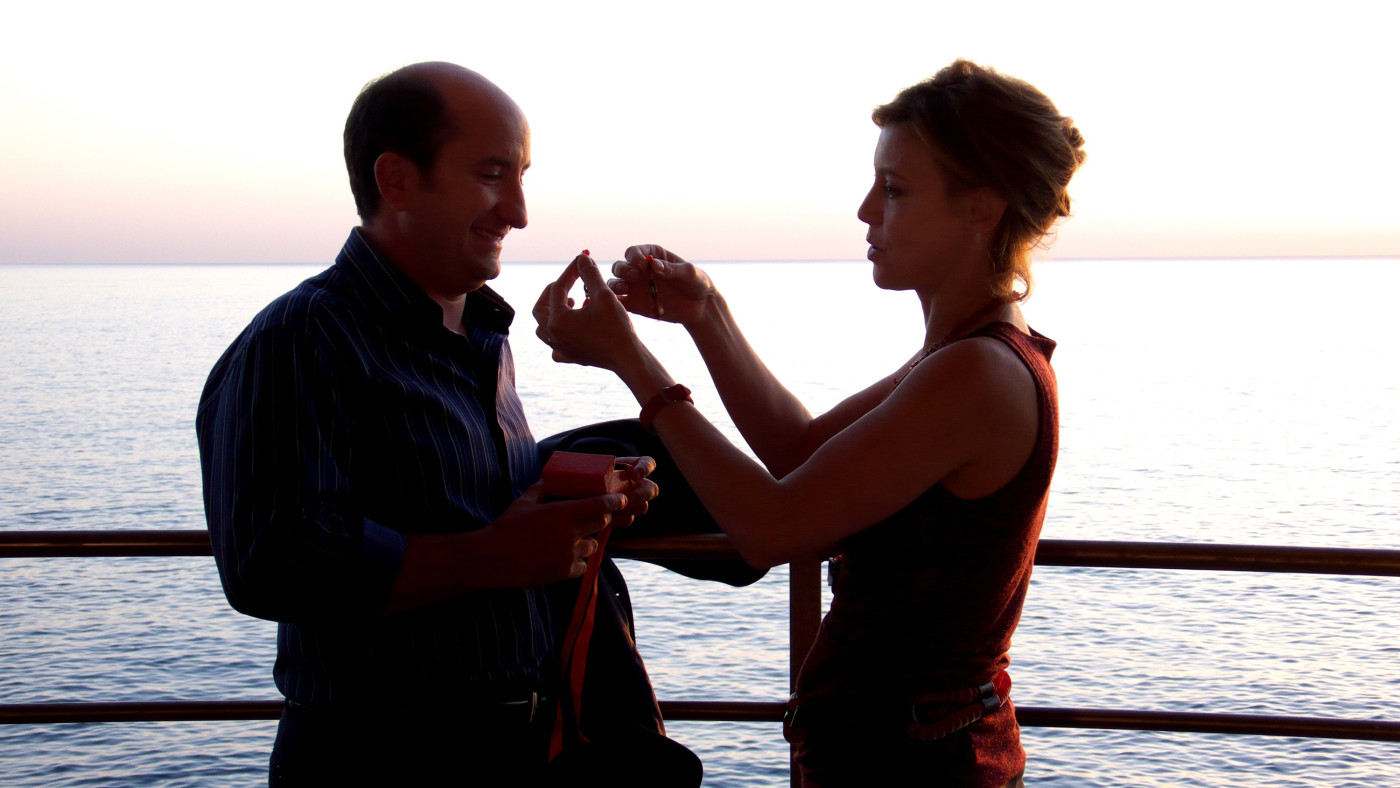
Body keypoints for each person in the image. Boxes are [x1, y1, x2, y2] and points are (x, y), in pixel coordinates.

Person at [534, 59, 1085, 787]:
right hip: (901, 749)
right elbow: (798, 452)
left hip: (915, 765)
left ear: (980, 207)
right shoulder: (965, 355)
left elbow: (771, 527)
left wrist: (633, 361)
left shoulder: (977, 373)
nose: (865, 209)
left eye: (894, 188)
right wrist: (706, 313)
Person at [196, 61, 699, 786]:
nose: (519, 212)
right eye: (492, 175)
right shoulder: (302, 337)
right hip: (381, 760)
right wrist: (491, 556)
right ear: (397, 180)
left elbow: (455, 504)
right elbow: (271, 561)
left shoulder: (481, 337)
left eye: (522, 178)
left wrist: (574, 497)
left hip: (525, 747)